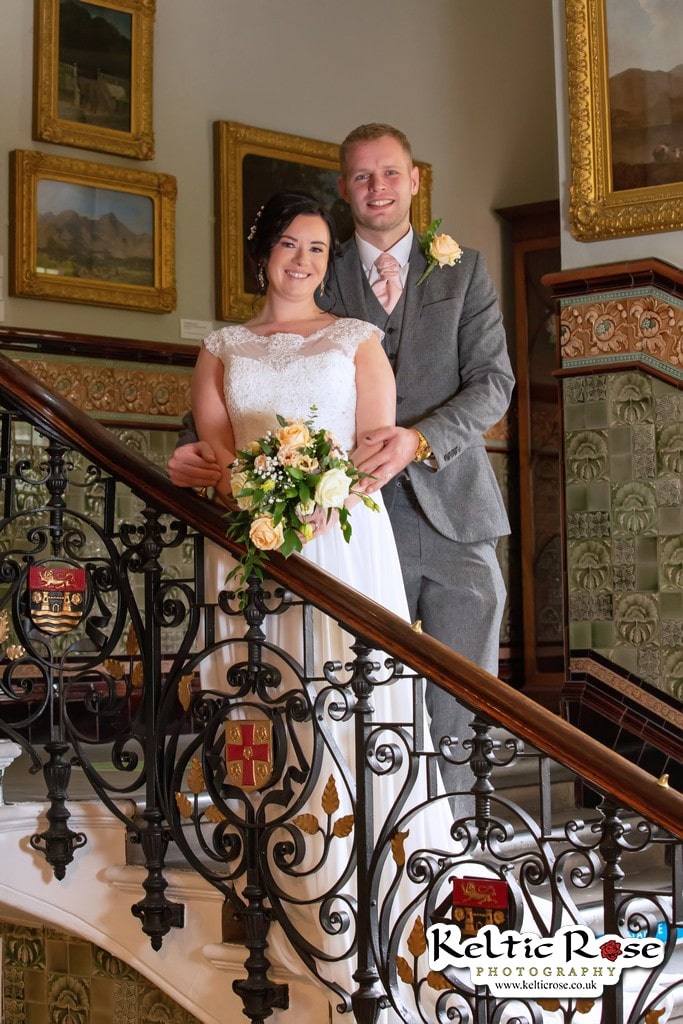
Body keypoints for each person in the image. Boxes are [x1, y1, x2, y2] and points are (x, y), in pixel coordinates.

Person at [169, 122, 515, 802]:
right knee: (328, 672)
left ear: (415, 180)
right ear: (342, 189)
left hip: (448, 501)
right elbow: (245, 398)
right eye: (361, 176)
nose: (376, 187)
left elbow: (493, 383)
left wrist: (417, 440)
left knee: (460, 678)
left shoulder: (462, 269)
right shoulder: (316, 278)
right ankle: (316, 812)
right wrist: (200, 455)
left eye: (389, 173)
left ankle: (447, 818)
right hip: (334, 522)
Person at [189, 190, 453, 1022]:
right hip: (253, 540)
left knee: (344, 681)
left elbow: (374, 450)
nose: (300, 261)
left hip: (342, 536)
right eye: (287, 245)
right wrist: (240, 483)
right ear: (261, 251)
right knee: (261, 687)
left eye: (315, 249)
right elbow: (217, 451)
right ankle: (263, 841)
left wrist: (317, 491)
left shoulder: (356, 339)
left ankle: (363, 846)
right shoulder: (222, 346)